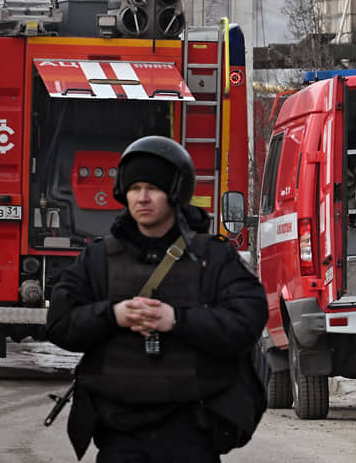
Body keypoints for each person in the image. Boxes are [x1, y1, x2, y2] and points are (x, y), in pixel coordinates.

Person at [45, 135, 268, 462]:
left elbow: (248, 319)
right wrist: (113, 315)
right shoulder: (98, 258)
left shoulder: (213, 257)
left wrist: (177, 320)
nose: (143, 198)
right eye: (134, 188)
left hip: (192, 430)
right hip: (119, 434)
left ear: (176, 193)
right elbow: (60, 324)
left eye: (153, 187)